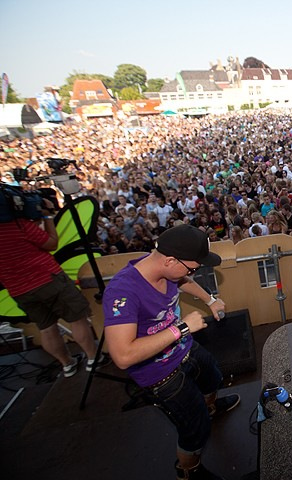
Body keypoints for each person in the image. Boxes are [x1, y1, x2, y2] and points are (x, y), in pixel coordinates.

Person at [102, 224, 240, 480]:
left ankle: (210, 408)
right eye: (194, 267)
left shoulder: (165, 267)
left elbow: (183, 280)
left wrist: (209, 300)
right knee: (195, 428)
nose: (195, 272)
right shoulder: (122, 291)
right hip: (160, 373)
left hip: (185, 347)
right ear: (170, 260)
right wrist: (182, 328)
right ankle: (189, 470)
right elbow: (122, 356)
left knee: (212, 376)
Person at [0, 199, 107, 377]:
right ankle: (93, 357)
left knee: (46, 328)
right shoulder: (19, 226)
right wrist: (48, 216)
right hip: (48, 279)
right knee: (77, 319)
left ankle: (67, 364)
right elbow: (52, 244)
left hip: (18, 290)